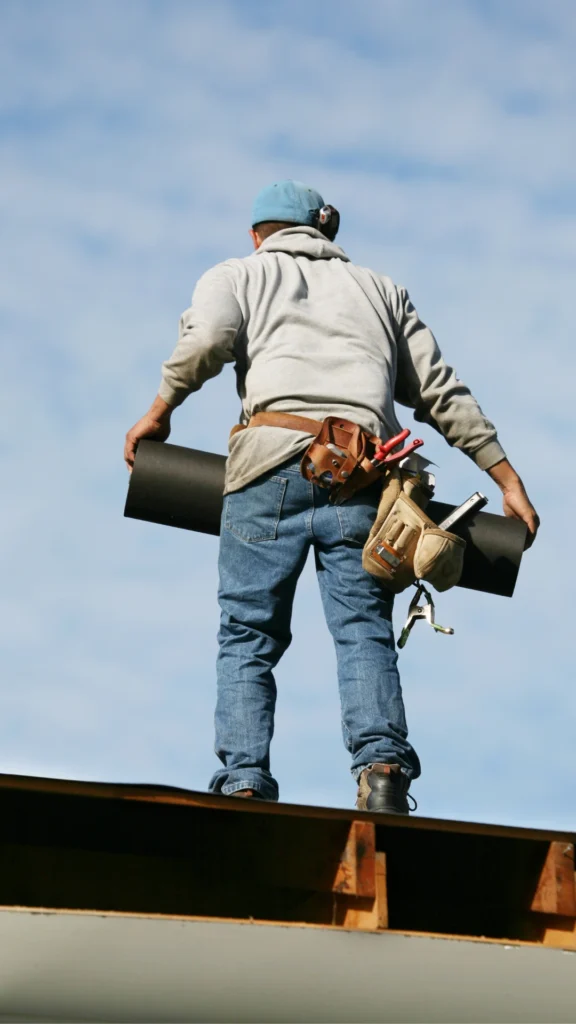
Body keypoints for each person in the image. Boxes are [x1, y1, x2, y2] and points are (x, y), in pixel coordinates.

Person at [125, 179, 539, 814]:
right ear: (325, 234)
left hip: (267, 470)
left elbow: (206, 340)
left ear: (257, 233)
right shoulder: (379, 290)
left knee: (248, 634)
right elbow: (440, 392)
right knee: (361, 628)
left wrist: (160, 411)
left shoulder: (237, 274)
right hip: (361, 481)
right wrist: (505, 478)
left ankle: (243, 780)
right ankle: (382, 773)